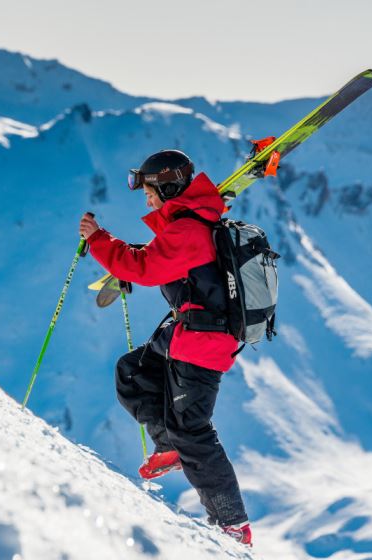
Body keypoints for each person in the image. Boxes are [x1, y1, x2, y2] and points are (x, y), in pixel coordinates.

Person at [78, 149, 252, 546]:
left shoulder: (189, 230)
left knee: (192, 430)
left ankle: (232, 524)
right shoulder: (190, 224)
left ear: (169, 187)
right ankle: (168, 445)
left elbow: (143, 267)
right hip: (185, 333)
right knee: (133, 372)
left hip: (202, 342)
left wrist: (100, 241)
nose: (148, 200)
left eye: (151, 192)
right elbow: (160, 257)